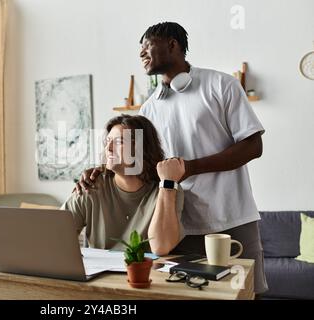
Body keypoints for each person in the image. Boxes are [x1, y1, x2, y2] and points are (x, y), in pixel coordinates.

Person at [75, 22, 267, 294]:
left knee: (245, 293)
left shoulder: (222, 85)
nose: (141, 54)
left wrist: (189, 167)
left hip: (232, 218)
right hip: (180, 226)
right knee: (186, 295)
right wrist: (101, 170)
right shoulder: (149, 107)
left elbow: (252, 146)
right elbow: (138, 163)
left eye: (146, 46)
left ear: (172, 45)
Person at [62, 114, 185, 255]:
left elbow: (161, 247)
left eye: (119, 142)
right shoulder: (91, 185)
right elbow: (54, 234)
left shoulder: (167, 190)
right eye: (108, 141)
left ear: (141, 148)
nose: (108, 149)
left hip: (146, 275)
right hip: (100, 276)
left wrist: (168, 185)